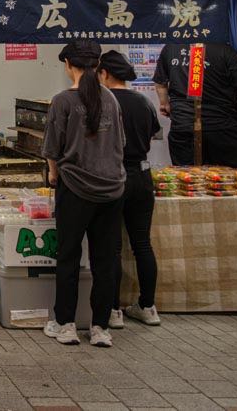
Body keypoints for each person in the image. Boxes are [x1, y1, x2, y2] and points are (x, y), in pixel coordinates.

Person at [42, 40, 126, 348]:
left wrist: (53, 174)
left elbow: (52, 148)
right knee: (105, 260)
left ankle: (65, 324)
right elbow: (121, 142)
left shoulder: (63, 101)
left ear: (68, 65)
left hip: (75, 188)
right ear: (97, 65)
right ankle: (100, 327)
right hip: (112, 190)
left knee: (68, 256)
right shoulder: (111, 99)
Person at [98, 50, 162, 328]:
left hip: (113, 176)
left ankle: (113, 311)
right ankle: (148, 306)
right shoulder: (144, 102)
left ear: (105, 74)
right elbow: (153, 134)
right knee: (142, 244)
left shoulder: (104, 102)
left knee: (112, 247)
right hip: (142, 177)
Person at [153, 42, 237, 167]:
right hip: (223, 128)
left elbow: (160, 83)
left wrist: (165, 104)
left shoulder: (171, 47)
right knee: (226, 176)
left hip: (184, 126)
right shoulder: (224, 49)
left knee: (187, 176)